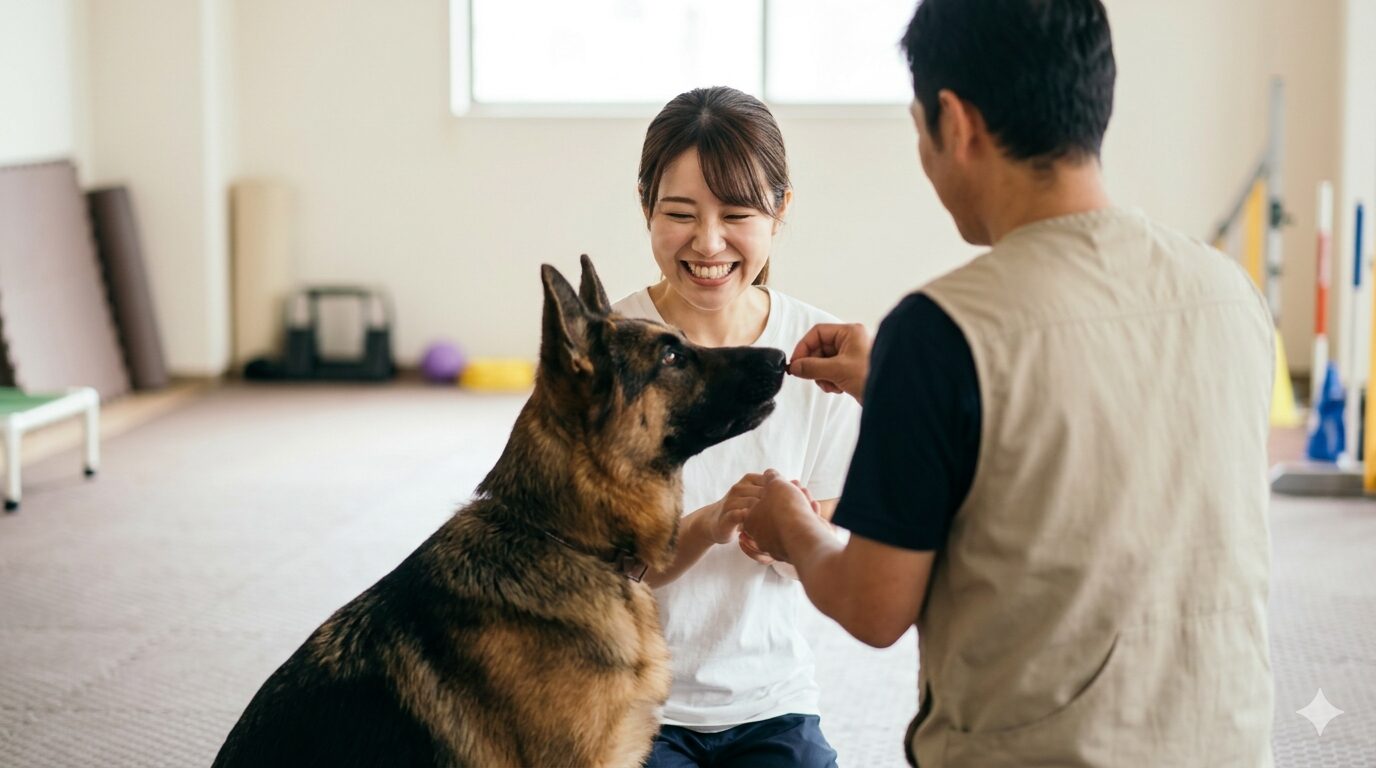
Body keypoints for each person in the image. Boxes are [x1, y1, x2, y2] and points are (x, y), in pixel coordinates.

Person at [741, 1, 1276, 766]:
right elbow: (1107, 437)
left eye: (919, 129)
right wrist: (890, 388)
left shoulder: (938, 331)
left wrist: (788, 518)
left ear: (954, 123)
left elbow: (872, 605)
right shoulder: (1228, 293)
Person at [610, 85, 861, 768]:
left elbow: (838, 532)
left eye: (738, 213)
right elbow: (600, 565)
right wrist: (712, 522)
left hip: (773, 702)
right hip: (634, 704)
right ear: (645, 207)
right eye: (681, 213)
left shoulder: (821, 357)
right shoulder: (608, 358)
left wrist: (794, 531)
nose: (709, 242)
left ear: (781, 211)